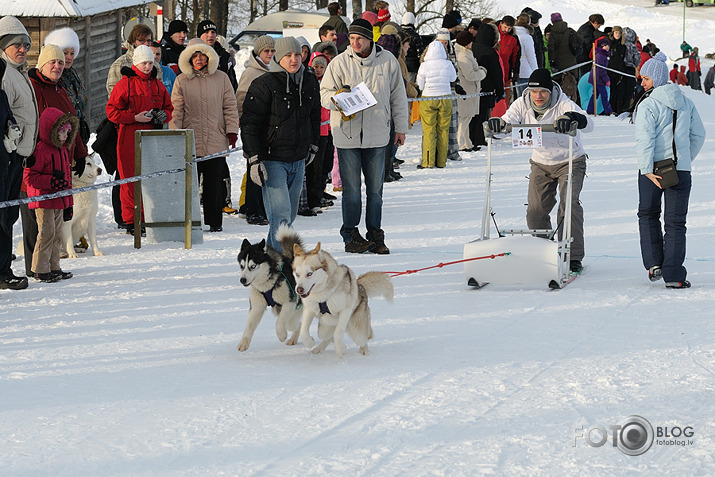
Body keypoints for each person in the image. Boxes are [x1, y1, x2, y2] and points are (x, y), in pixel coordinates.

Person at [487, 68, 595, 273]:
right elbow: (507, 123)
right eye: (534, 91)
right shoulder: (522, 103)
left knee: (568, 205)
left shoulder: (563, 103)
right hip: (540, 163)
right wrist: (498, 125)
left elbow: (588, 124)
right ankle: (543, 250)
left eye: (543, 92)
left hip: (570, 160)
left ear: (550, 91)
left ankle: (572, 256)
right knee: (535, 211)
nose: (538, 96)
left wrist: (573, 118)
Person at [320, 18, 408, 254]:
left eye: (359, 38)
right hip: (347, 135)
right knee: (351, 191)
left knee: (375, 191)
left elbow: (398, 97)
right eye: (351, 38)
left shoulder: (388, 61)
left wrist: (401, 128)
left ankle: (375, 234)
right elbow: (324, 94)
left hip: (378, 135)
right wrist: (338, 98)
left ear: (371, 39)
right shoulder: (339, 63)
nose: (355, 42)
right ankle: (350, 234)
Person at [240, 37, 320, 251]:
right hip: (272, 159)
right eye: (288, 56)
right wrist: (254, 159)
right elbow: (249, 124)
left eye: (296, 55)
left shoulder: (309, 81)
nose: (293, 60)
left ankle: (269, 257)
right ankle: (281, 265)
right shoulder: (263, 84)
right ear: (278, 57)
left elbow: (314, 113)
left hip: (298, 158)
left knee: (287, 217)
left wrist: (313, 144)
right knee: (282, 216)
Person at [633, 55, 705, 288]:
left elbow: (645, 138)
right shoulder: (686, 102)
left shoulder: (648, 104)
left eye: (646, 78)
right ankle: (673, 276)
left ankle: (655, 264)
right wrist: (683, 160)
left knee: (648, 214)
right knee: (675, 222)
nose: (642, 83)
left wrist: (646, 167)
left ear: (657, 78)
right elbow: (699, 135)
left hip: (652, 169)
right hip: (680, 171)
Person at [26, 44, 88, 275]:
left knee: (56, 224)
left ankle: (51, 266)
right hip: (40, 163)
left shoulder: (61, 88)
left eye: (61, 62)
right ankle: (35, 268)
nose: (58, 66)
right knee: (40, 225)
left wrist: (80, 152)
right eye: (53, 62)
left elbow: (71, 125)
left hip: (62, 160)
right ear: (42, 64)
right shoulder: (34, 87)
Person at [169, 39, 238, 233]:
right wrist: (177, 136)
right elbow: (176, 111)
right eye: (195, 56)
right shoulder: (181, 80)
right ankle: (189, 221)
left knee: (214, 183)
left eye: (202, 55)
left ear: (209, 57)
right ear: (188, 58)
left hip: (216, 137)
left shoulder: (222, 78)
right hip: (191, 139)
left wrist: (232, 130)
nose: (199, 59)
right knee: (190, 183)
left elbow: (230, 106)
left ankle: (214, 221)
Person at [106, 45, 173, 234]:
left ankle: (150, 217)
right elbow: (112, 111)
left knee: (152, 179)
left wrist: (162, 115)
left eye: (150, 63)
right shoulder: (124, 84)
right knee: (130, 180)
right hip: (129, 136)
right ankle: (132, 221)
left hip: (152, 137)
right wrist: (134, 117)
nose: (147, 67)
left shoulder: (158, 84)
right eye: (144, 63)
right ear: (136, 63)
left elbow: (169, 108)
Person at [0, 15, 38, 290]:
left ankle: (2, 265)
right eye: (17, 44)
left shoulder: (18, 71)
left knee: (9, 214)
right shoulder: (3, 73)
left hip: (17, 155)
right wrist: (11, 150)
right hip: (6, 157)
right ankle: (2, 271)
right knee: (3, 216)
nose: (23, 49)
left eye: (26, 43)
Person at [23, 107, 75, 283]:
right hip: (44, 201)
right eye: (62, 131)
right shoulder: (41, 149)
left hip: (59, 200)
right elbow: (30, 177)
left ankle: (54, 267)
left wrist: (69, 204)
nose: (66, 135)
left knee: (58, 234)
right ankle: (40, 269)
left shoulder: (63, 150)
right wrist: (50, 181)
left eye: (68, 131)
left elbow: (67, 181)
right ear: (52, 131)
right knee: (46, 234)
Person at [196, 20, 239, 216]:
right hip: (197, 118)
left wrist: (231, 125)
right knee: (197, 166)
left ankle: (223, 200)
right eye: (206, 33)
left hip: (218, 114)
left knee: (219, 163)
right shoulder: (191, 57)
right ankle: (198, 201)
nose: (210, 35)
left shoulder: (224, 56)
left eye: (213, 32)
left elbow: (232, 84)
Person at [235, 35, 274, 226]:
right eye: (266, 51)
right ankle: (252, 209)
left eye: (272, 51)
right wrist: (246, 123)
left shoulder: (273, 69)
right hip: (254, 127)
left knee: (267, 169)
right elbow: (240, 99)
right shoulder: (251, 73)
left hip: (270, 130)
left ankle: (262, 207)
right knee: (254, 167)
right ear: (259, 52)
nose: (270, 54)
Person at [43, 27, 90, 145]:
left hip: (78, 132)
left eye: (72, 53)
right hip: (62, 134)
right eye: (65, 53)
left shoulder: (73, 75)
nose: (69, 57)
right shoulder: (54, 78)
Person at [416, 41, 456, 168]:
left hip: (428, 98)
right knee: (443, 130)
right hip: (445, 97)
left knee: (429, 130)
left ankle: (428, 162)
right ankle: (441, 161)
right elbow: (453, 78)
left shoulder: (424, 65)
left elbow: (420, 84)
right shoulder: (448, 64)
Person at [471, 22, 504, 148]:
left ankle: (470, 138)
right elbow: (497, 73)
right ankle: (479, 139)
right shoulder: (491, 52)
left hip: (471, 88)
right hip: (486, 88)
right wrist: (500, 91)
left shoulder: (471, 48)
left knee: (471, 115)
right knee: (482, 115)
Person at [454, 31, 487, 152]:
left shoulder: (465, 52)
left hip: (469, 89)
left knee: (466, 117)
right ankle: (461, 144)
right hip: (467, 90)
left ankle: (467, 143)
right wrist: (483, 72)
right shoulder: (463, 55)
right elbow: (470, 75)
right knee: (465, 118)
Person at [107, 24, 161, 94]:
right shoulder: (120, 64)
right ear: (133, 41)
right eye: (142, 40)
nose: (146, 44)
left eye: (149, 41)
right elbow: (114, 93)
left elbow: (159, 91)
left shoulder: (155, 65)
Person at [547, 12, 582, 102]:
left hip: (559, 64)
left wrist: (552, 61)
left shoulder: (553, 34)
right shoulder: (569, 30)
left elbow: (551, 49)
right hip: (571, 62)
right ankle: (574, 103)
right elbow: (581, 40)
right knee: (572, 85)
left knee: (558, 87)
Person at [513, 14, 539, 97]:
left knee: (518, 96)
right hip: (526, 70)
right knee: (526, 96)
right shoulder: (526, 37)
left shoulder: (513, 35)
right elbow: (531, 56)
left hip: (515, 70)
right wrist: (536, 71)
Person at [586, 37, 613, 115]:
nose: (607, 47)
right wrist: (606, 80)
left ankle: (590, 110)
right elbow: (601, 70)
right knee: (604, 95)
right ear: (601, 46)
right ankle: (608, 111)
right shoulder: (601, 55)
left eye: (608, 45)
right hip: (598, 79)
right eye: (605, 45)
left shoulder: (603, 55)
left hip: (597, 78)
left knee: (595, 95)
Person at [495, 16, 519, 102]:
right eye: (505, 27)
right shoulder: (494, 34)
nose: (507, 30)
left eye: (509, 28)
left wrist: (516, 71)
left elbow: (515, 57)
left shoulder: (513, 39)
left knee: (505, 99)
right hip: (494, 71)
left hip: (506, 73)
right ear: (501, 24)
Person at [400, 12, 424, 82]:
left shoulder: (398, 34)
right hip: (412, 66)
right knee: (409, 85)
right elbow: (420, 52)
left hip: (400, 64)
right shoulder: (415, 36)